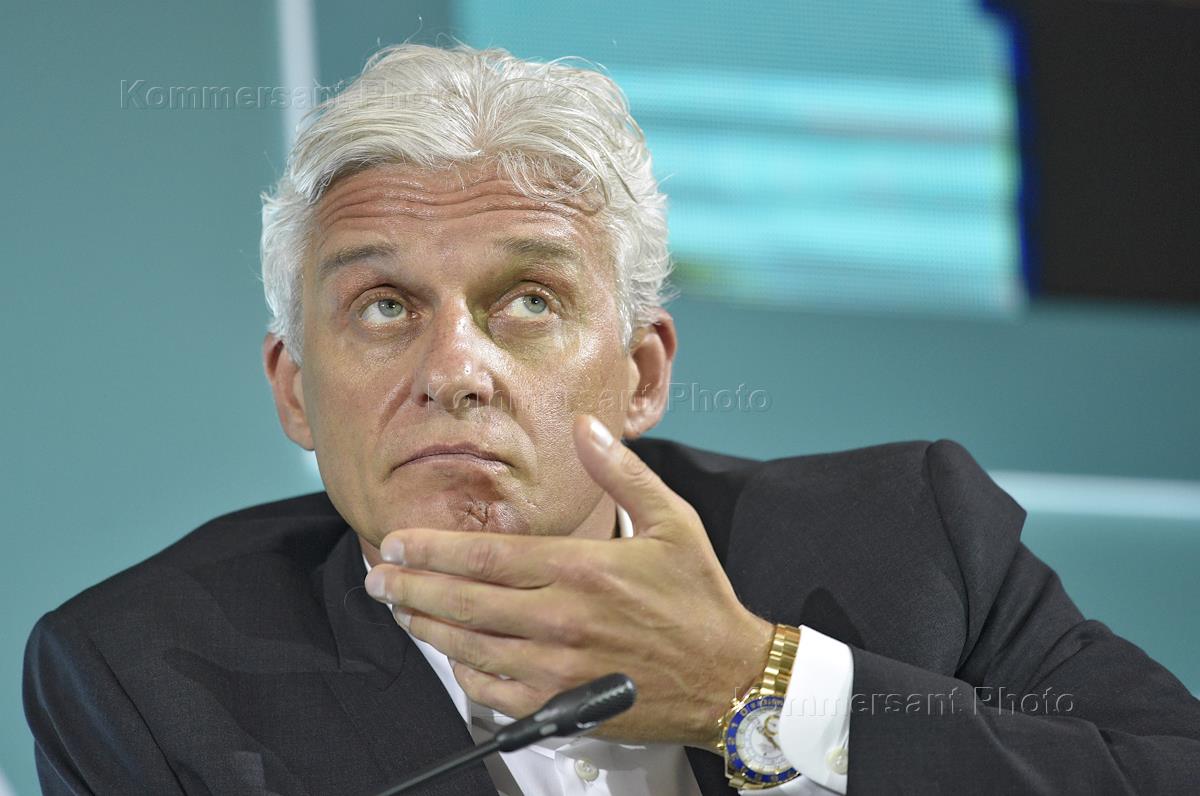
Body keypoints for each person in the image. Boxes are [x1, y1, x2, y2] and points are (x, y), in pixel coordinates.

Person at [23, 43, 1200, 795]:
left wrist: (757, 686)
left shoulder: (909, 544)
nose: (455, 369)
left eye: (529, 301)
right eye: (384, 306)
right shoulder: (152, 671)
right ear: (294, 389)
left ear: (641, 372)